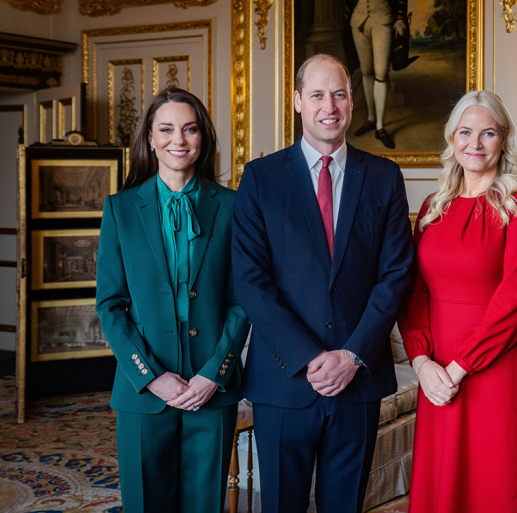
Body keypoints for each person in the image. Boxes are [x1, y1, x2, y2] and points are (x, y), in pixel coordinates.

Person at [231, 54, 414, 513]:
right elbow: (252, 281)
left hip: (358, 380)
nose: (328, 106)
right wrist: (312, 358)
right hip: (284, 380)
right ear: (297, 101)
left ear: (352, 101)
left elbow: (395, 275)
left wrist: (351, 356)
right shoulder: (260, 178)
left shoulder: (384, 177)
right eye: (316, 95)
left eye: (338, 94)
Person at [96, 88, 250, 513]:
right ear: (149, 137)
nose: (177, 139)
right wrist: (150, 376)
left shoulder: (234, 206)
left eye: (189, 128)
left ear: (203, 138)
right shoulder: (121, 209)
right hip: (144, 388)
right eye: (165, 129)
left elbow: (243, 301)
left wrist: (213, 374)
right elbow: (110, 304)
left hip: (211, 385)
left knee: (205, 505)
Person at [398, 90, 517, 512]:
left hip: (492, 370)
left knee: (496, 484)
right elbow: (414, 293)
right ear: (451, 139)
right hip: (437, 374)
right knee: (445, 482)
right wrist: (422, 363)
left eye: (488, 133)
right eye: (465, 132)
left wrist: (459, 366)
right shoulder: (432, 207)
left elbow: (516, 299)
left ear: (503, 138)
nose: (475, 144)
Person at [341, 0, 410, 149]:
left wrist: (400, 19)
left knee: (381, 72)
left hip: (383, 18)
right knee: (366, 71)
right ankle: (371, 119)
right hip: (358, 20)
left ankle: (380, 126)